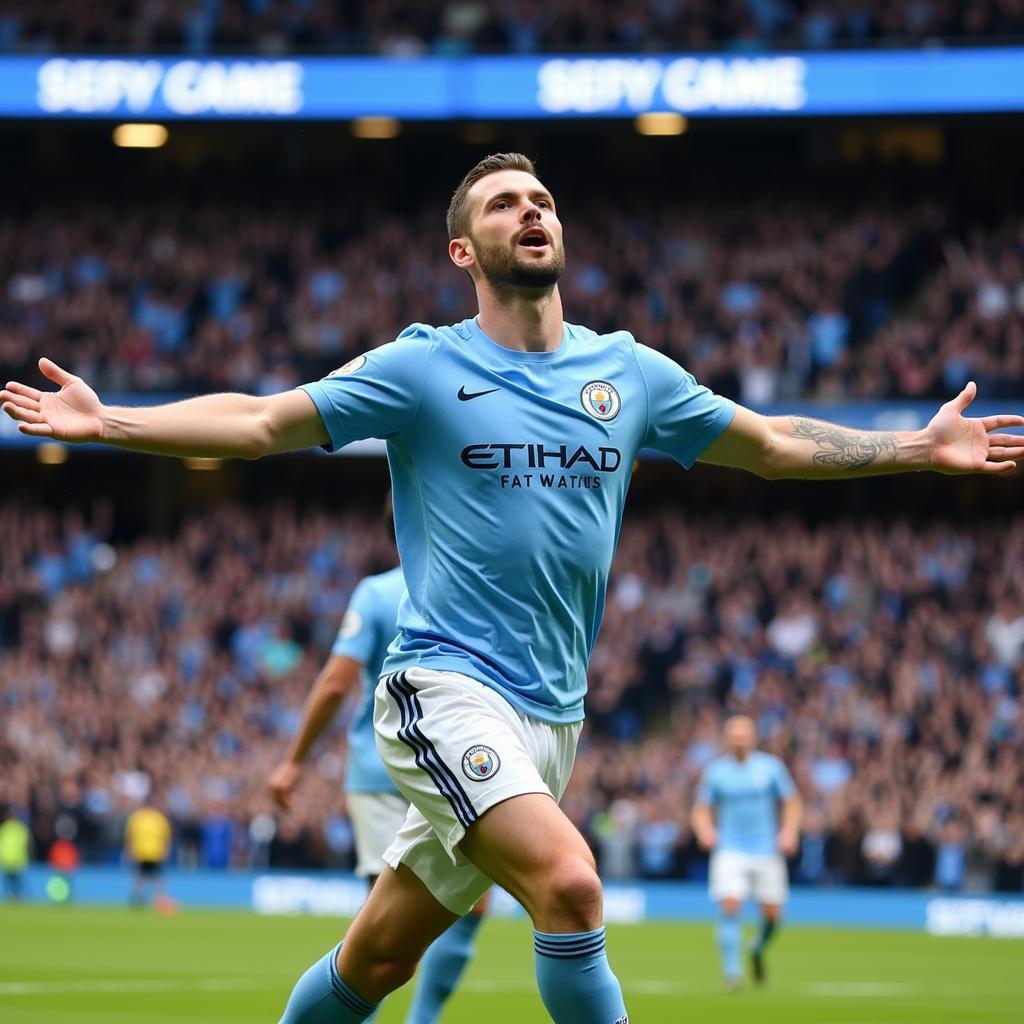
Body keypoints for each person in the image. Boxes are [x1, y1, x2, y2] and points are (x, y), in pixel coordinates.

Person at [3, 151, 1022, 1024]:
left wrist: (915, 448)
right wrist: (116, 421)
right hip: (439, 690)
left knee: (376, 961)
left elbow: (771, 447)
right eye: (503, 204)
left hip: (551, 716)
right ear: (464, 253)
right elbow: (265, 422)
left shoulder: (631, 374)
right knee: (571, 888)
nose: (529, 211)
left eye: (539, 200)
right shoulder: (420, 368)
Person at [269, 550, 488, 1024]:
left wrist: (294, 762)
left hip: (389, 766)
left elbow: (335, 685)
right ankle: (420, 1020)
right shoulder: (472, 583)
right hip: (458, 767)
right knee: (469, 903)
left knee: (383, 923)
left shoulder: (378, 593)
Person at [692, 716, 801, 990]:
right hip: (730, 849)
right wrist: (705, 830)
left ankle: (757, 946)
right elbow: (701, 808)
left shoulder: (771, 768)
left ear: (753, 737)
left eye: (743, 735)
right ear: (726, 739)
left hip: (767, 849)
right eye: (733, 735)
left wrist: (789, 831)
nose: (738, 740)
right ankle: (733, 974)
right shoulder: (716, 772)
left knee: (773, 916)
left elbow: (791, 801)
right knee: (730, 906)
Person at [124, 800, 173, 909]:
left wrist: (129, 851)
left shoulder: (138, 818)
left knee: (145, 876)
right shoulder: (157, 818)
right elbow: (167, 838)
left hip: (148, 852)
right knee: (152, 877)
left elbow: (129, 837)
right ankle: (145, 898)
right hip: (150, 852)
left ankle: (147, 898)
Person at [0, 803, 31, 900]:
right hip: (8, 861)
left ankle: (16, 899)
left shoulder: (20, 829)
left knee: (16, 887)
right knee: (9, 887)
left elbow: (27, 846)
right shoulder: (5, 828)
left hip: (17, 862)